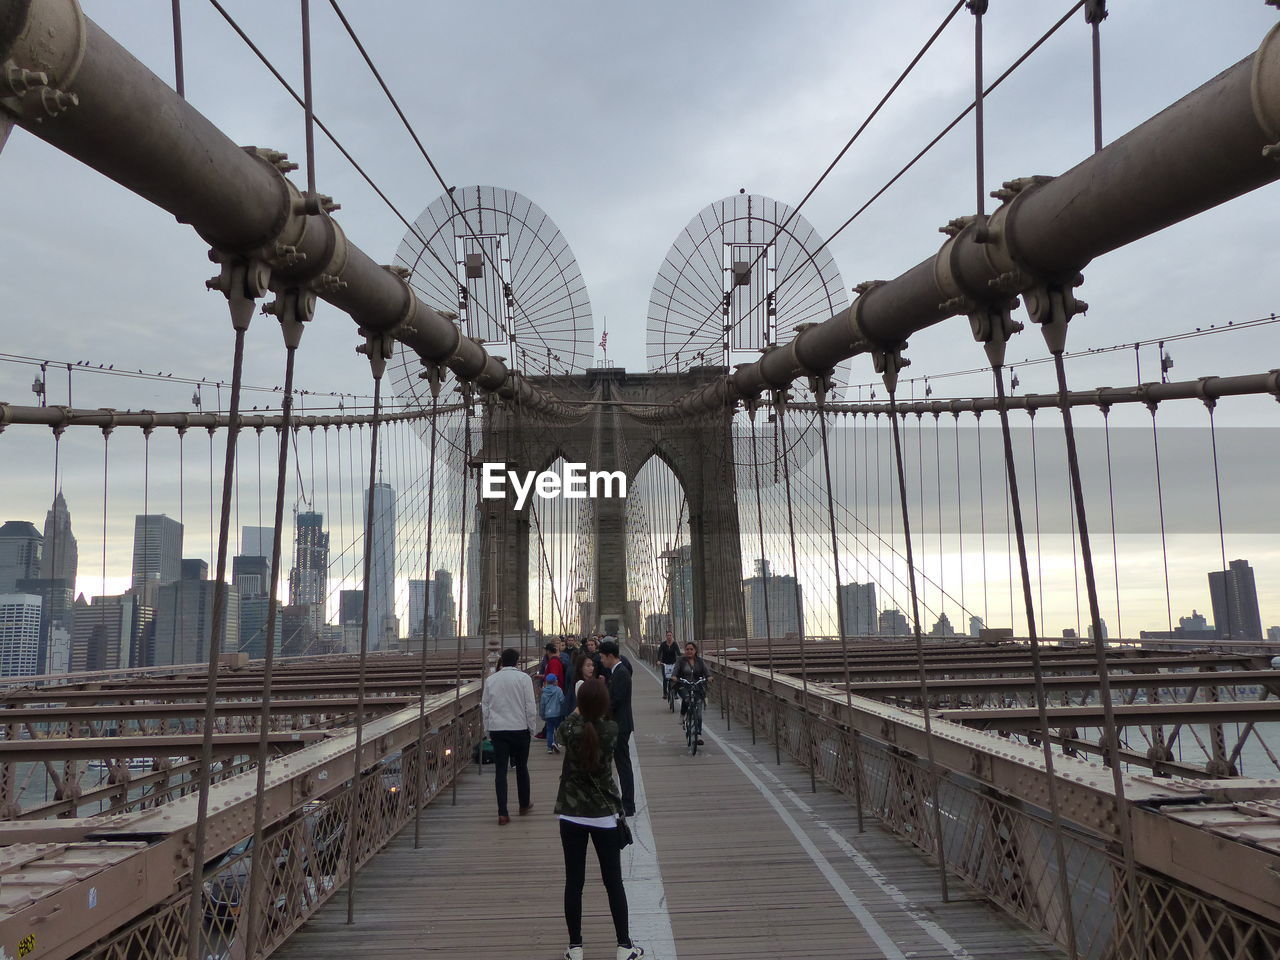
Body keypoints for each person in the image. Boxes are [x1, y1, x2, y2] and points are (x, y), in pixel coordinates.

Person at [554, 678, 645, 960]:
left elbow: (559, 733)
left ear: (581, 704)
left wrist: (578, 709)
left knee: (574, 882)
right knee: (613, 882)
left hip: (571, 813)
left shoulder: (570, 729)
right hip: (603, 815)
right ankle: (624, 945)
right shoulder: (611, 729)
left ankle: (576, 947)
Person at [481, 647, 539, 825]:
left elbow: (485, 707)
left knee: (500, 771)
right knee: (522, 767)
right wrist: (532, 728)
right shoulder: (524, 679)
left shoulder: (491, 680)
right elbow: (530, 706)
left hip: (499, 730)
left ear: (501, 661)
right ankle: (523, 804)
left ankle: (503, 813)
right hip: (520, 729)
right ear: (517, 661)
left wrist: (487, 731)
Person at [598, 640, 635, 818]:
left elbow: (616, 701)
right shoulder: (618, 672)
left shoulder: (620, 673)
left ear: (610, 656)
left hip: (620, 726)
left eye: (602, 657)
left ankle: (628, 805)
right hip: (619, 724)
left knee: (623, 765)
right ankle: (623, 802)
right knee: (620, 763)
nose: (601, 661)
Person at [672, 641, 710, 738]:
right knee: (687, 698)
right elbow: (675, 670)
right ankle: (682, 714)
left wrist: (709, 677)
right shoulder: (680, 660)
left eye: (691, 649)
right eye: (687, 649)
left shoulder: (700, 661)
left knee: (699, 714)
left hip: (697, 686)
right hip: (683, 685)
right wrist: (674, 677)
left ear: (695, 650)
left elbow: (706, 672)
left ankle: (698, 734)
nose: (689, 651)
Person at [541, 674, 565, 754]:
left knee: (549, 730)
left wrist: (542, 714)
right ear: (555, 681)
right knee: (558, 729)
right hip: (557, 714)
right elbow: (562, 700)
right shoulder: (558, 690)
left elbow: (542, 705)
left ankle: (549, 747)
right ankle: (556, 743)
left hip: (548, 715)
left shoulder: (544, 692)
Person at [657, 631, 679, 699]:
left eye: (670, 635)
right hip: (665, 664)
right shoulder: (663, 644)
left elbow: (678, 653)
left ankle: (675, 693)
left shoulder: (675, 644)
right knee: (665, 679)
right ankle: (665, 693)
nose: (669, 637)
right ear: (666, 636)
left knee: (675, 678)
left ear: (672, 636)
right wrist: (658, 660)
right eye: (668, 635)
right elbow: (659, 653)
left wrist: (681, 660)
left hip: (673, 663)